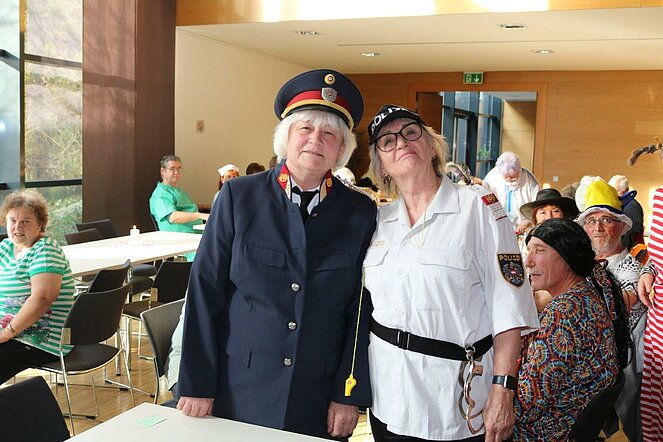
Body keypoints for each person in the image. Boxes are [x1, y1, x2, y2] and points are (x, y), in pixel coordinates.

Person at [177, 69, 377, 440]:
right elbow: (205, 292)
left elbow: (359, 310)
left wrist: (347, 394)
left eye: (329, 134)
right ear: (286, 137)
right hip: (239, 389)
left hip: (317, 396)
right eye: (305, 129)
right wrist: (197, 383)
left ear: (341, 149)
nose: (315, 141)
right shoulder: (238, 197)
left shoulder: (360, 212)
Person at [363, 104, 539, 442]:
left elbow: (509, 306)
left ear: (432, 147)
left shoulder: (478, 209)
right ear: (381, 165)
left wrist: (503, 389)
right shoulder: (378, 222)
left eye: (410, 133)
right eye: (387, 141)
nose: (401, 143)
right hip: (388, 400)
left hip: (456, 402)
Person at [515, 218, 628, 441]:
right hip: (567, 424)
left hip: (544, 433)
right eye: (529, 251)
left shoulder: (564, 313)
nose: (528, 261)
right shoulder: (587, 294)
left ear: (567, 257)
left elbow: (525, 408)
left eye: (539, 251)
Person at [576, 179, 645, 441]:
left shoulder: (633, 269)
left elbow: (614, 307)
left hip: (624, 374)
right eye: (591, 221)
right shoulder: (581, 267)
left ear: (621, 226)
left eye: (606, 220)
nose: (598, 227)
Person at [0, 190, 75, 384]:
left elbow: (42, 298)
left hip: (38, 339)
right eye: (12, 220)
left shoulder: (45, 250)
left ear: (40, 224)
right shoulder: (6, 247)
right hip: (13, 333)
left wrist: (7, 332)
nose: (17, 227)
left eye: (26, 221)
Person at [630, 144, 663, 441]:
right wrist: (648, 270)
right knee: (655, 412)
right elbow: (657, 255)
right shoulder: (661, 197)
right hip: (659, 325)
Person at [519, 187, 579, 311]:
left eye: (555, 211)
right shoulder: (526, 245)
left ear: (563, 215)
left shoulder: (573, 245)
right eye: (543, 212)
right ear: (535, 218)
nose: (549, 217)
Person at [481, 151, 539, 234]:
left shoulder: (529, 180)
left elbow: (537, 204)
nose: (509, 180)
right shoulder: (491, 177)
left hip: (523, 228)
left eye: (513, 177)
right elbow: (484, 200)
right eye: (505, 177)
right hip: (498, 226)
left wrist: (527, 221)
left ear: (519, 171)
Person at [149, 155, 208, 233]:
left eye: (178, 169)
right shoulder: (161, 194)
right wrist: (199, 215)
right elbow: (173, 217)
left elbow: (188, 207)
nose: (176, 172)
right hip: (179, 237)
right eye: (172, 169)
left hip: (196, 234)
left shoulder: (178, 191)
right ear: (162, 171)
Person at [609, 174, 645, 250]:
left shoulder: (632, 206)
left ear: (626, 190)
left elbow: (634, 232)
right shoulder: (623, 205)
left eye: (617, 191)